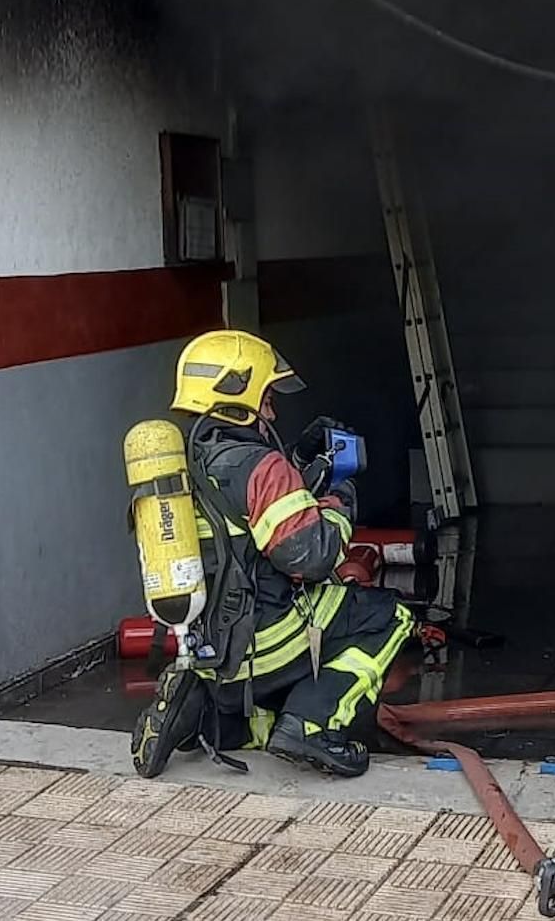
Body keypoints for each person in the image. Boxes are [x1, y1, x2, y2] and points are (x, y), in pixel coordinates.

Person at [131, 329, 415, 780]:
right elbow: (313, 558)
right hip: (265, 642)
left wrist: (298, 459)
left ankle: (198, 708)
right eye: (266, 399)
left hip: (212, 652)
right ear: (237, 395)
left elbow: (243, 520)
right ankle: (312, 726)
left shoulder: (184, 464)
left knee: (263, 723)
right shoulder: (261, 468)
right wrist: (340, 501)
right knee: (388, 616)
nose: (273, 411)